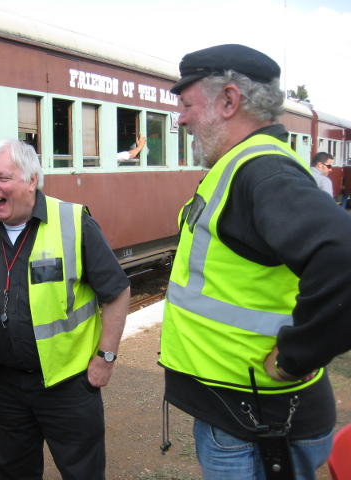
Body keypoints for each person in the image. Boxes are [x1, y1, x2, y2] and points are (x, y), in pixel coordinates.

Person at [159, 44, 351, 479]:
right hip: (244, 413)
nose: (180, 118)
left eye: (187, 105)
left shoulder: (261, 172)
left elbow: (344, 258)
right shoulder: (243, 167)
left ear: (229, 100)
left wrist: (294, 356)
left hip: (254, 424)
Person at [0, 139, 130, 479]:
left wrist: (105, 359)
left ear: (31, 180)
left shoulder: (73, 221)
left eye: (2, 178)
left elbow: (117, 292)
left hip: (67, 384)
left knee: (82, 472)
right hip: (5, 385)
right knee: (11, 472)